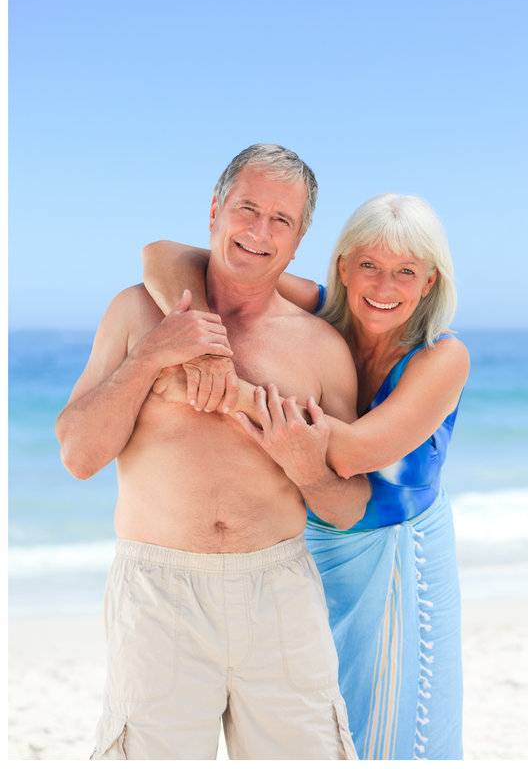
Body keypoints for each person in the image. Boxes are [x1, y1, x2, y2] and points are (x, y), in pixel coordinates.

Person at [55, 144, 368, 758]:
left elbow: (349, 507)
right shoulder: (135, 311)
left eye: (281, 220)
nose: (259, 232)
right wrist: (151, 357)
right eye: (247, 210)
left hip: (279, 590)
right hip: (158, 591)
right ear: (215, 213)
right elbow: (78, 455)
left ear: (299, 240)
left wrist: (307, 469)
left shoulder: (322, 348)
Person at [143, 193, 470, 758]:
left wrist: (223, 391)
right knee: (316, 722)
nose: (383, 286)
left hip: (396, 558)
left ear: (430, 282)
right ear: (343, 265)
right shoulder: (321, 313)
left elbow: (353, 452)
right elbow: (163, 256)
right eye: (368, 265)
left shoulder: (443, 357)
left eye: (405, 273)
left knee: (385, 727)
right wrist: (209, 350)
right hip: (312, 538)